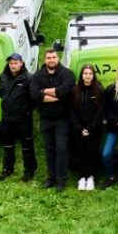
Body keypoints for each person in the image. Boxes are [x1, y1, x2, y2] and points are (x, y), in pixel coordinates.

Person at [29, 48, 75, 191]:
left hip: (62, 120)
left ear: (58, 58)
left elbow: (66, 91)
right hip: (46, 119)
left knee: (61, 149)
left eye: (54, 57)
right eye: (48, 58)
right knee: (49, 149)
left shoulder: (67, 73)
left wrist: (45, 92)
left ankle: (61, 180)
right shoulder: (38, 75)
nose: (51, 60)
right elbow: (34, 94)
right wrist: (56, 94)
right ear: (45, 60)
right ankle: (51, 178)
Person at [0, 52, 36, 180]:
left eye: (15, 63)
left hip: (23, 119)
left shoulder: (29, 78)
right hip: (7, 118)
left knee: (27, 146)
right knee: (8, 146)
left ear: (21, 63)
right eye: (11, 63)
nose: (13, 66)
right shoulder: (2, 77)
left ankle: (29, 171)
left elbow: (33, 99)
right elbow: (1, 93)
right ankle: (7, 169)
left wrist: (25, 110)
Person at [71, 64, 105, 190]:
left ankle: (91, 177)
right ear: (82, 75)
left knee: (92, 152)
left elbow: (100, 111)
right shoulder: (75, 90)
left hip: (94, 129)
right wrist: (80, 128)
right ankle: (81, 177)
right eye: (85, 73)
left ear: (93, 75)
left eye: (90, 74)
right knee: (80, 152)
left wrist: (90, 128)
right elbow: (73, 111)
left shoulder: (99, 90)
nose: (88, 76)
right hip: (78, 129)